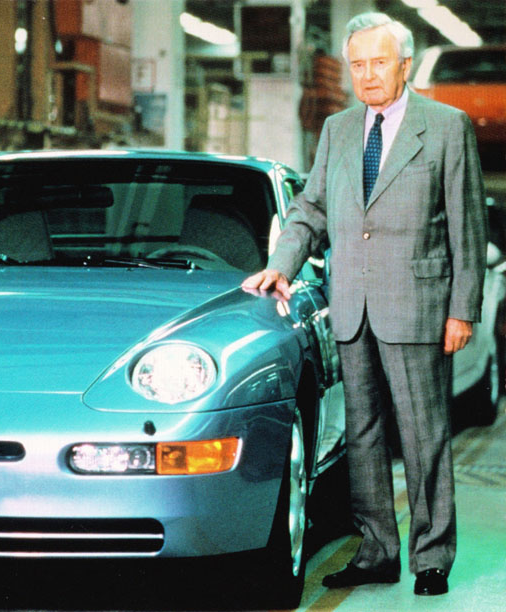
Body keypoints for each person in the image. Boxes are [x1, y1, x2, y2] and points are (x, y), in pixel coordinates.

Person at [242, 12, 486, 597]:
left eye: (380, 63)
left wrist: (463, 310)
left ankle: (432, 557)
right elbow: (313, 209)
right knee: (363, 434)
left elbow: (467, 227)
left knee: (424, 433)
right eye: (358, 65)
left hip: (420, 304)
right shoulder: (339, 129)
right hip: (352, 305)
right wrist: (282, 264)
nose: (368, 75)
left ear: (405, 64)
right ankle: (377, 549)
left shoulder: (447, 128)